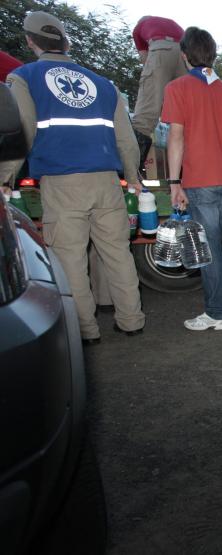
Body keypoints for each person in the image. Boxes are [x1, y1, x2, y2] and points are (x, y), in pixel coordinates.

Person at [3, 11, 145, 343]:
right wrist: (133, 178)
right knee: (118, 253)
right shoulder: (103, 84)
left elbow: (21, 129)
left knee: (70, 259)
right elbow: (126, 138)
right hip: (108, 182)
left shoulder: (24, 78)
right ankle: (132, 320)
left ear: (29, 40)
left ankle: (85, 331)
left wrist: (5, 176)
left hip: (63, 184)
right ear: (66, 41)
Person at [161, 27, 222, 331]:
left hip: (200, 182)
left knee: (209, 248)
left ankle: (216, 313)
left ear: (185, 55)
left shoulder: (177, 88)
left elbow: (176, 136)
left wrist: (175, 183)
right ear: (212, 54)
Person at [131, 15, 185, 173]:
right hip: (186, 55)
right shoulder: (174, 23)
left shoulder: (138, 29)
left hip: (160, 49)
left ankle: (133, 169)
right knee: (187, 116)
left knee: (146, 111)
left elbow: (145, 59)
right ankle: (189, 169)